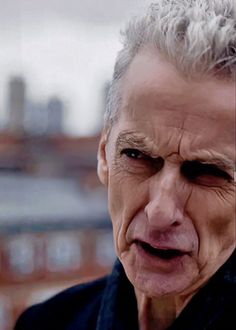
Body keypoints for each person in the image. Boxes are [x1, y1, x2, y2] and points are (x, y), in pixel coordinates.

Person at [15, 0, 235, 329]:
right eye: (137, 156)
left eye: (207, 172)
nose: (160, 212)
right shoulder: (45, 322)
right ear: (104, 154)